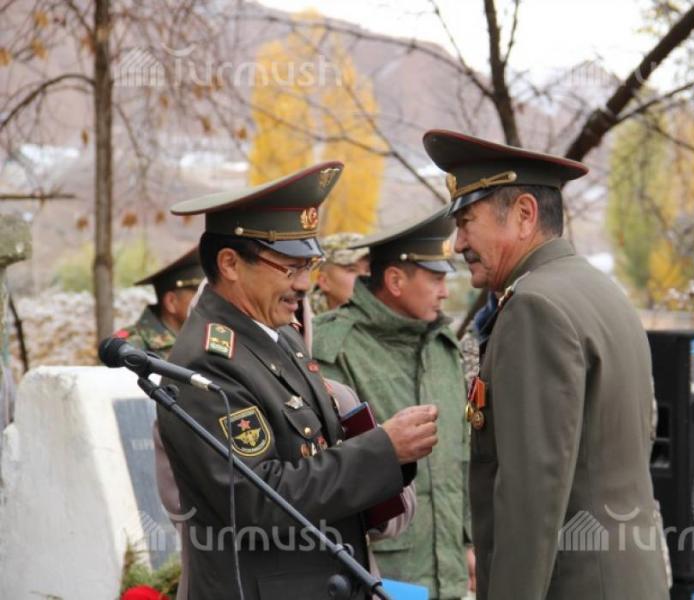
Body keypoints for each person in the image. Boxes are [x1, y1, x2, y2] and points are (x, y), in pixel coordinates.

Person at [156, 163, 439, 600]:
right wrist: (383, 449)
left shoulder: (279, 335)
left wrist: (383, 454)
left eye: (308, 265)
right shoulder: (206, 364)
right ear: (230, 264)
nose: (305, 284)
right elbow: (257, 498)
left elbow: (316, 452)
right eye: (289, 268)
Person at [423, 130, 669, 599]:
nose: (457, 244)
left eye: (467, 222)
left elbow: (530, 497)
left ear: (524, 215)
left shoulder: (534, 307)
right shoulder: (599, 289)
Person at [313, 207, 472, 599]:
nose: (445, 291)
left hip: (450, 573)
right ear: (396, 280)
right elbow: (328, 469)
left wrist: (466, 542)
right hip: (377, 573)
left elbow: (461, 455)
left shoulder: (442, 346)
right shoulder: (333, 345)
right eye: (435, 278)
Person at [114, 247, 203, 358]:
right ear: (171, 302)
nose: (206, 303)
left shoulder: (202, 340)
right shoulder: (127, 348)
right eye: (199, 296)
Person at [307, 232, 370, 316]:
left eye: (368, 270)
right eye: (352, 270)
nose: (365, 277)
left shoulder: (382, 316)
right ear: (324, 281)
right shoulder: (302, 318)